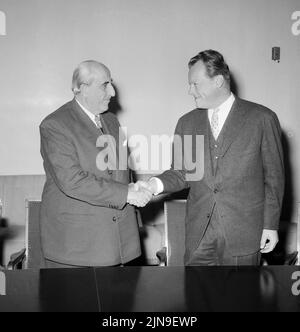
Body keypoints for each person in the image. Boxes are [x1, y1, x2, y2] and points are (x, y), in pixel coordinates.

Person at [138, 50, 284, 266]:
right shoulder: (186, 123)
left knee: (240, 299)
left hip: (244, 235)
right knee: (196, 298)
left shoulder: (262, 118)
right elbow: (180, 172)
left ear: (217, 81)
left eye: (195, 84)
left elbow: (274, 177)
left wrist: (270, 225)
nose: (190, 91)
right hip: (199, 236)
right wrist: (151, 185)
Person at [40, 60, 152, 268]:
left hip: (120, 245)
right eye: (104, 85)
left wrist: (134, 189)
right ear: (82, 89)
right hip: (78, 248)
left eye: (111, 83)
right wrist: (127, 194)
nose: (112, 92)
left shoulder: (111, 121)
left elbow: (120, 174)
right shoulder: (55, 125)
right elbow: (72, 181)